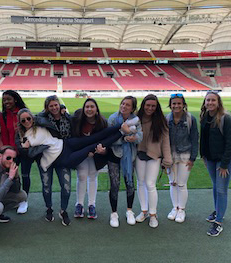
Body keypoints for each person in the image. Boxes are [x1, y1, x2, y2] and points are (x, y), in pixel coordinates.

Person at [17, 108, 124, 226]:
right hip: (62, 159)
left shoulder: (40, 122)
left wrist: (62, 107)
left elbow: (49, 109)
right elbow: (27, 154)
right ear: (20, 122)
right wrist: (25, 148)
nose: (27, 121)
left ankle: (122, 126)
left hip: (65, 144)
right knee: (92, 146)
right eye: (23, 120)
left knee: (93, 138)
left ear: (32, 117)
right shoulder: (23, 138)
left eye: (29, 118)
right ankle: (121, 133)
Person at [201, 91, 231, 236]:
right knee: (216, 187)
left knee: (221, 189)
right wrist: (203, 155)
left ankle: (218, 222)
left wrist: (224, 164)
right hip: (210, 159)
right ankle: (218, 210)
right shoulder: (205, 117)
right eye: (208, 100)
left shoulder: (226, 119)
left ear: (218, 102)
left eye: (213, 100)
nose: (210, 103)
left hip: (223, 162)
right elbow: (203, 139)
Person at [132, 95, 173, 228]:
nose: (150, 108)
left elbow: (166, 141)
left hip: (155, 156)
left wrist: (167, 159)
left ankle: (153, 214)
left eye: (153, 106)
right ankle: (144, 211)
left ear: (156, 107)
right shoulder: (136, 118)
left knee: (150, 184)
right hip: (139, 154)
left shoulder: (161, 121)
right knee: (140, 182)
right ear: (143, 105)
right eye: (148, 105)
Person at [34, 95, 75, 225]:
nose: (54, 108)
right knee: (46, 186)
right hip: (46, 157)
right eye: (51, 106)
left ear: (59, 105)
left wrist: (65, 111)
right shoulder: (42, 118)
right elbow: (33, 119)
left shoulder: (67, 118)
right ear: (47, 107)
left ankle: (63, 210)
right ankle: (49, 208)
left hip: (63, 157)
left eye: (56, 105)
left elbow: (75, 125)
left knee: (66, 186)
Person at [106, 96, 142, 227]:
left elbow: (140, 136)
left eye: (127, 105)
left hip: (130, 156)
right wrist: (125, 138)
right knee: (115, 184)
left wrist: (134, 138)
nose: (124, 106)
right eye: (122, 103)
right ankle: (114, 213)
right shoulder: (113, 119)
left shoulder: (136, 120)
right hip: (114, 155)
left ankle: (129, 211)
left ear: (132, 108)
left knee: (129, 183)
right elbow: (109, 139)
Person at [71, 98, 110, 220]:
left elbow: (106, 140)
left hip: (96, 155)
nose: (89, 109)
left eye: (92, 106)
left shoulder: (102, 122)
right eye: (87, 107)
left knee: (93, 176)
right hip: (82, 154)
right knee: (81, 176)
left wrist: (101, 150)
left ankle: (92, 204)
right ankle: (79, 204)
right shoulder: (78, 120)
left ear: (96, 109)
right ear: (83, 109)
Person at [165, 94, 199, 224]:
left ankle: (182, 209)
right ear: (170, 105)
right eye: (174, 103)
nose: (176, 106)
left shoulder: (191, 119)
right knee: (173, 183)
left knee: (182, 183)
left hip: (185, 155)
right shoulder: (167, 118)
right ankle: (175, 208)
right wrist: (164, 157)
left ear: (183, 104)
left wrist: (193, 158)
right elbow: (164, 139)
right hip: (170, 155)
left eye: (179, 103)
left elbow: (195, 138)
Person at [0, 90, 32, 214]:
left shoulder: (24, 112)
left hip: (25, 150)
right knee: (12, 177)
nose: (6, 102)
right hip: (12, 152)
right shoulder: (4, 115)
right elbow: (4, 133)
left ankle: (24, 200)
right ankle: (14, 199)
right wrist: (6, 151)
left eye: (8, 99)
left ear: (15, 99)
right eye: (4, 99)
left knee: (25, 175)